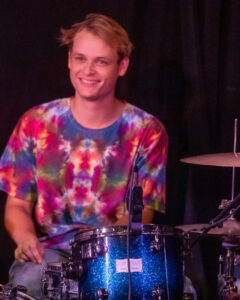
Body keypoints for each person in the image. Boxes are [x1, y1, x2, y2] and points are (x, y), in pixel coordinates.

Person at [0, 13, 168, 298]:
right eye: (80, 58)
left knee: (172, 285)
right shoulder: (35, 122)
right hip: (49, 253)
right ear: (69, 60)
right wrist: (26, 238)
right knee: (29, 282)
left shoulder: (146, 131)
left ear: (122, 65)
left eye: (101, 61)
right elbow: (16, 206)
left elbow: (141, 214)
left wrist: (98, 255)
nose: (88, 70)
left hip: (115, 253)